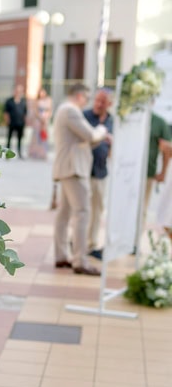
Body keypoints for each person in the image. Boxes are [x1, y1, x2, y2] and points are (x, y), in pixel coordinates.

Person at [52, 82, 110, 275]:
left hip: (69, 167)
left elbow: (81, 141)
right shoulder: (71, 110)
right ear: (78, 96)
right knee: (82, 213)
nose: (87, 102)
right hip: (74, 169)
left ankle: (61, 256)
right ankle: (80, 260)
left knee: (65, 214)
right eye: (86, 97)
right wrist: (102, 131)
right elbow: (91, 135)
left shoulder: (63, 109)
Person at [83, 88, 114, 259]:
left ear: (110, 104)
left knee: (97, 210)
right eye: (97, 100)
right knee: (82, 209)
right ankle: (78, 241)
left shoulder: (112, 121)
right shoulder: (85, 116)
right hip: (84, 171)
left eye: (103, 101)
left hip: (101, 172)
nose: (98, 104)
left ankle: (92, 244)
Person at [144, 112, 172, 227]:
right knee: (165, 218)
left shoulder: (160, 122)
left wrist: (163, 173)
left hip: (150, 173)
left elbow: (167, 149)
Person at [27, 87, 52, 160]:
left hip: (45, 120)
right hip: (38, 121)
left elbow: (50, 110)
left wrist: (46, 117)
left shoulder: (48, 100)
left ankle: (43, 153)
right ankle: (35, 152)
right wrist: (40, 118)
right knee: (37, 136)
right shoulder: (36, 101)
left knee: (43, 136)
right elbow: (35, 111)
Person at [3, 84, 27, 157]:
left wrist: (25, 122)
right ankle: (7, 153)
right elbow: (6, 112)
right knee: (9, 138)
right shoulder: (9, 101)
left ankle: (19, 153)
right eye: (17, 91)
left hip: (20, 123)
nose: (18, 92)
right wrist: (7, 121)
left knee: (20, 139)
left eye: (19, 91)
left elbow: (25, 113)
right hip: (12, 122)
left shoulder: (23, 101)